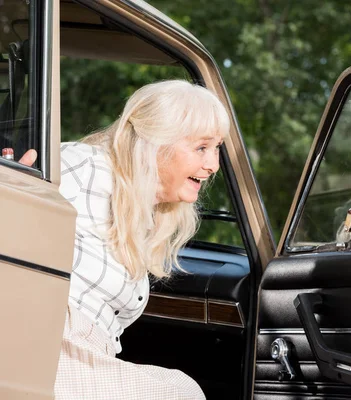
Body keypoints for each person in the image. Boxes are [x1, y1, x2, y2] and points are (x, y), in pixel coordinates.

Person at [42, 80, 229, 399]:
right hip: (48, 350)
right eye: (201, 148)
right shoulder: (84, 167)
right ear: (157, 142)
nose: (213, 165)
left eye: (217, 149)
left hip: (87, 359)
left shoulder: (147, 216)